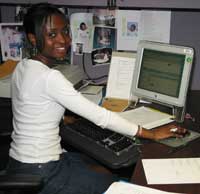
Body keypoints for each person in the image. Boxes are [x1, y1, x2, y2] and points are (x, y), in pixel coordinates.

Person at [6, 3, 187, 194]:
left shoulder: (22, 67)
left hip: (19, 163)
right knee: (116, 186)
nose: (64, 40)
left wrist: (64, 118)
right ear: (33, 39)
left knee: (103, 171)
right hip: (43, 170)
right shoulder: (50, 77)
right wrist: (152, 134)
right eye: (52, 35)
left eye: (65, 31)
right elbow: (101, 117)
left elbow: (32, 106)